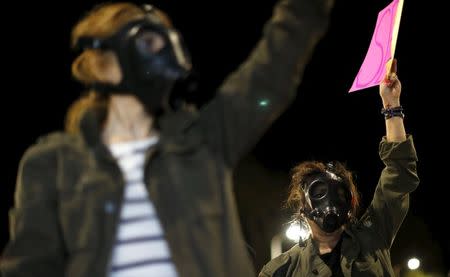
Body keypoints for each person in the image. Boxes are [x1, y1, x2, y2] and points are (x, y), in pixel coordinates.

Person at [0, 0, 335, 276]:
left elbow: (274, 66)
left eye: (168, 42)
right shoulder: (53, 163)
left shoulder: (204, 141)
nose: (164, 54)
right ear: (104, 61)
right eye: (148, 42)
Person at [259, 61, 420, 276]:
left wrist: (391, 105)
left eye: (339, 192)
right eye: (318, 192)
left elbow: (399, 173)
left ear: (351, 201)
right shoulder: (280, 271)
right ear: (303, 206)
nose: (329, 200)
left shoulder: (373, 236)